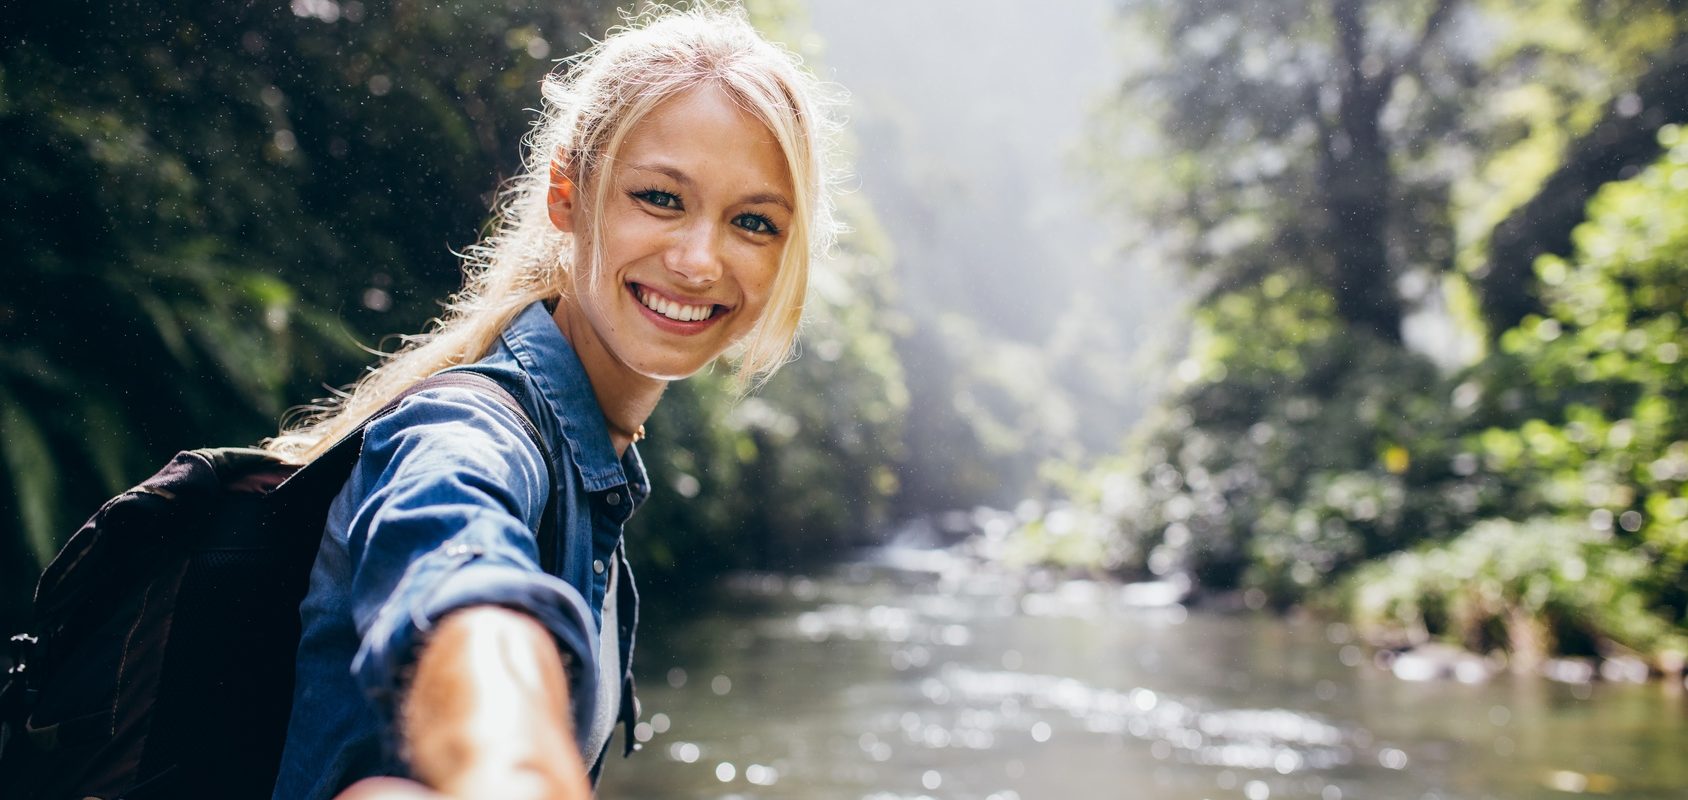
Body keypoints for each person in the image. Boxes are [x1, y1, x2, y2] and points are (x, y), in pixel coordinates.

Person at [260, 4, 841, 798]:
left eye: (752, 222)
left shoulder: (599, 460)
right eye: (660, 198)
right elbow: (460, 580)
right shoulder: (464, 427)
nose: (700, 260)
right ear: (568, 194)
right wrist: (511, 766)